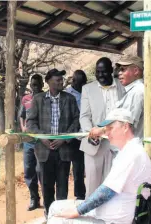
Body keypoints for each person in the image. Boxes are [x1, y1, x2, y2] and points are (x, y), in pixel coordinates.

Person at [47, 108, 151, 224]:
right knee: (54, 206)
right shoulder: (130, 151)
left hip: (114, 219)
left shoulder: (132, 154)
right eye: (106, 129)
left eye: (110, 128)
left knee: (57, 219)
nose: (106, 133)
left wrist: (77, 211)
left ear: (125, 127)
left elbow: (106, 191)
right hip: (108, 212)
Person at [27, 68, 80, 217]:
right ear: (48, 82)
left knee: (62, 186)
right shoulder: (38, 99)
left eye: (61, 80)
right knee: (46, 185)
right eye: (57, 80)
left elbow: (76, 121)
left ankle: (60, 216)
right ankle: (49, 214)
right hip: (44, 151)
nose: (61, 82)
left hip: (64, 150)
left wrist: (63, 139)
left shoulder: (69, 99)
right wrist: (42, 138)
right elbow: (31, 123)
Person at [80, 57, 125, 197]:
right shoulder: (88, 89)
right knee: (93, 190)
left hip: (117, 147)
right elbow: (84, 116)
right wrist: (90, 133)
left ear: (111, 71)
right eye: (98, 72)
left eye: (104, 72)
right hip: (94, 146)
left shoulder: (123, 87)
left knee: (114, 189)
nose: (100, 75)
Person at [89, 55, 144, 140]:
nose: (119, 73)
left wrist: (101, 130)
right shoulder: (133, 91)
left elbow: (126, 124)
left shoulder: (137, 92)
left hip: (132, 146)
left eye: (123, 69)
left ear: (135, 71)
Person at [19, 74, 44, 211]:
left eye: (37, 84)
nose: (35, 86)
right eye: (32, 84)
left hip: (42, 141)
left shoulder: (46, 97)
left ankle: (48, 199)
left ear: (42, 84)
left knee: (41, 171)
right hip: (28, 140)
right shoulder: (26, 98)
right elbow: (22, 115)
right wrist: (23, 127)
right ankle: (34, 198)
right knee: (29, 171)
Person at [65, 70, 88, 200]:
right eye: (79, 83)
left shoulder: (87, 91)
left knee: (87, 166)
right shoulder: (67, 94)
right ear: (73, 81)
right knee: (76, 167)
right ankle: (79, 195)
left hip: (86, 134)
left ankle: (86, 193)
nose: (81, 86)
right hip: (72, 137)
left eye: (83, 83)